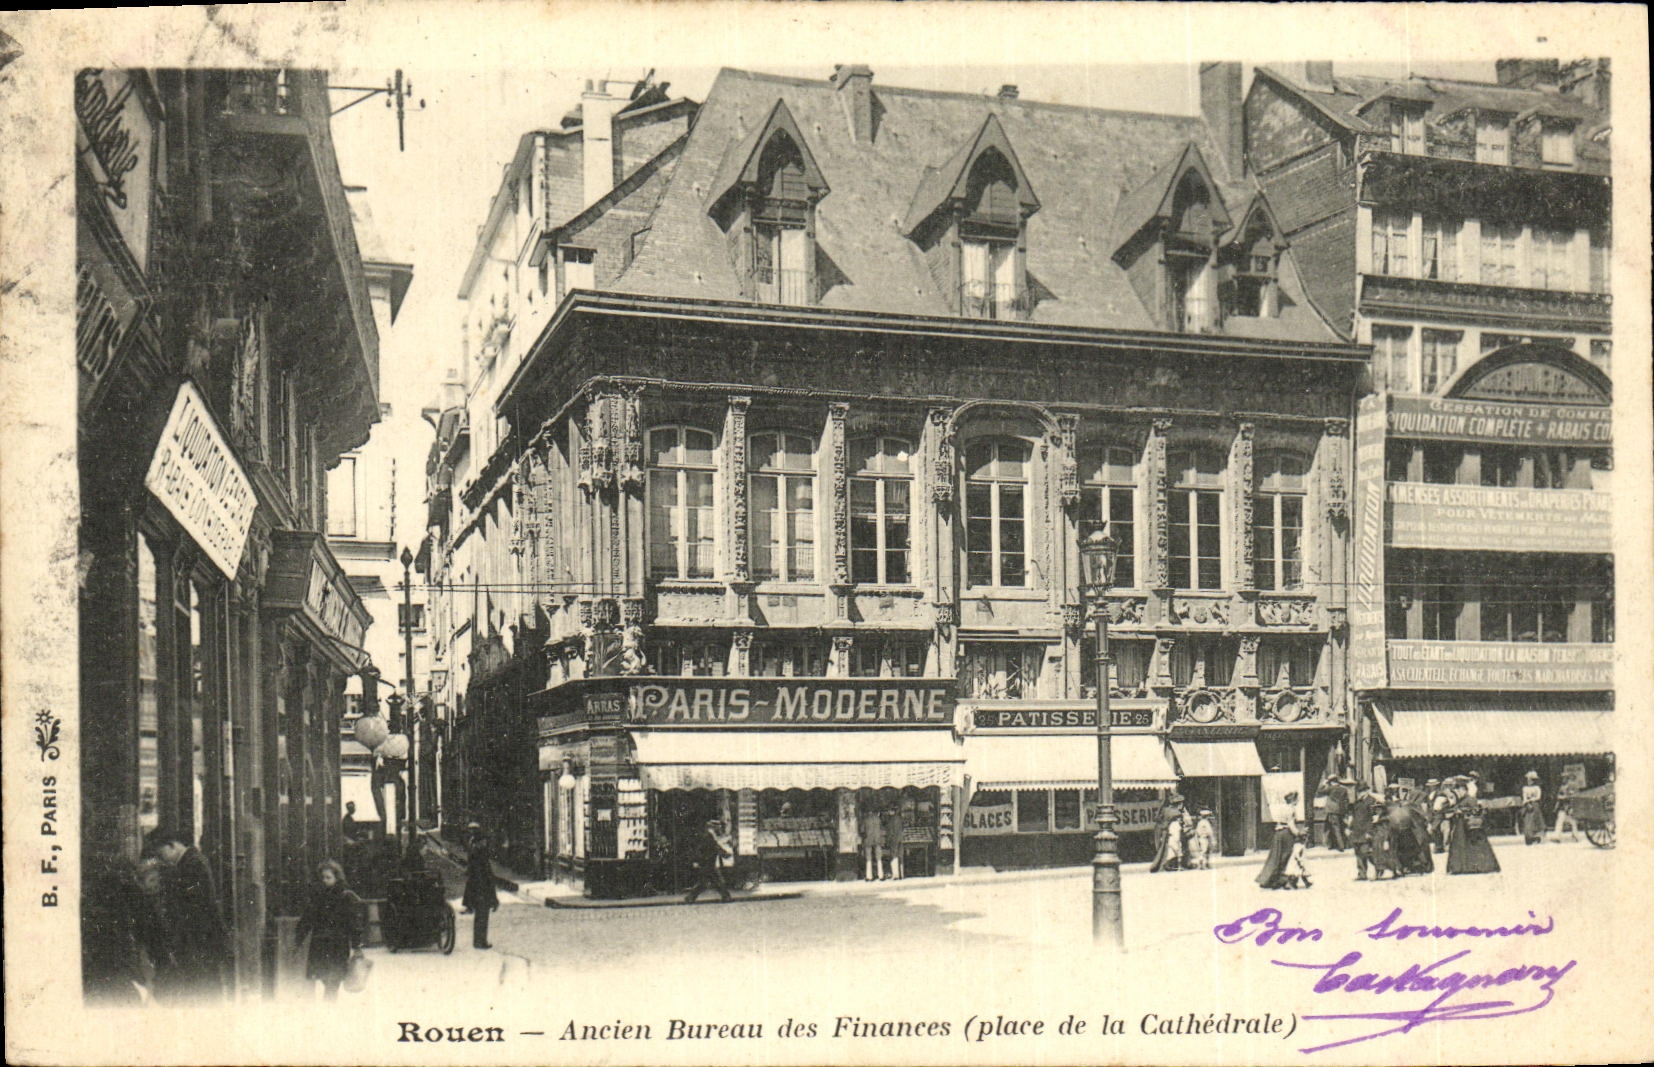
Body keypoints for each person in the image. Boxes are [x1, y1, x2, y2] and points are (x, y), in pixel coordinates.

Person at [145, 827, 230, 1000]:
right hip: (200, 942)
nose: (162, 860)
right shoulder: (190, 861)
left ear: (172, 846)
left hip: (201, 942)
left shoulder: (192, 864)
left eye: (162, 854)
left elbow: (194, 908)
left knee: (204, 991)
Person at [295, 860, 364, 999]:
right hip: (320, 944)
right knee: (323, 977)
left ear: (337, 878)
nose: (325, 881)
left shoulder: (346, 896)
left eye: (328, 877)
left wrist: (357, 945)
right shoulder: (318, 897)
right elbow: (307, 918)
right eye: (323, 878)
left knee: (334, 980)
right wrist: (298, 939)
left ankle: (329, 1008)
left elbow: (354, 923)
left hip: (337, 944)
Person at [1446, 780, 1501, 875]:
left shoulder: (1470, 799)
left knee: (1474, 846)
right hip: (1461, 826)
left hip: (1469, 826)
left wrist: (1463, 812)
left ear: (1463, 789)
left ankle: (1477, 866)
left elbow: (1476, 811)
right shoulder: (1461, 800)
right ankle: (1461, 867)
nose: (1457, 793)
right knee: (1461, 846)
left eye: (1458, 790)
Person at [1257, 791, 1307, 889]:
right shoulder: (1291, 810)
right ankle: (1282, 880)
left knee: (1275, 857)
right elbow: (1291, 824)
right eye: (1297, 799)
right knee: (1285, 857)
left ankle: (1267, 880)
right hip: (1286, 834)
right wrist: (1299, 833)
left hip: (1278, 833)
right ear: (1293, 800)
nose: (1298, 801)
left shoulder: (1283, 808)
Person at [461, 824, 499, 948]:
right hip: (482, 890)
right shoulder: (481, 857)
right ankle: (480, 942)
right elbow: (487, 876)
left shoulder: (473, 853)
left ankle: (478, 941)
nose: (486, 845)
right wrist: (493, 898)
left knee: (479, 917)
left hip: (476, 890)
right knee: (482, 916)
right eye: (485, 843)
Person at [683, 818, 734, 904]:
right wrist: (725, 854)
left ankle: (690, 897)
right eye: (717, 826)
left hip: (707, 862)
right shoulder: (708, 835)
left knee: (706, 882)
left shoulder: (707, 835)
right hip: (708, 862)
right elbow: (715, 847)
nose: (719, 828)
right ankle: (726, 896)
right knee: (717, 881)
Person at [1148, 793, 1185, 873]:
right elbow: (1177, 828)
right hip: (1171, 833)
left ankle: (1163, 864)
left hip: (1164, 832)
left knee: (1164, 850)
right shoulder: (1176, 813)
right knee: (1174, 849)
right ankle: (1170, 865)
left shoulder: (1166, 810)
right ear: (1179, 804)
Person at [1350, 787, 1380, 881]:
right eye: (1359, 791)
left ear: (1367, 791)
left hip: (1366, 831)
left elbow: (1374, 818)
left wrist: (1369, 832)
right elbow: (1354, 817)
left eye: (1361, 791)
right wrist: (1350, 828)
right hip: (1357, 831)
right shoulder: (1357, 802)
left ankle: (1379, 868)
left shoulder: (1372, 801)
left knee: (1366, 852)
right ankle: (1362, 874)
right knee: (1358, 853)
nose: (1360, 793)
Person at [1320, 775, 1349, 851]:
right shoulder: (1343, 789)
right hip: (1340, 811)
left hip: (1332, 811)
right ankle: (1332, 845)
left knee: (1335, 828)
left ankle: (1341, 846)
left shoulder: (1331, 788)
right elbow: (1346, 801)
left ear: (1332, 782)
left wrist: (1323, 784)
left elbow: (1319, 792)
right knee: (1337, 827)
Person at [860, 804, 887, 881]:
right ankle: (881, 875)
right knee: (879, 858)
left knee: (868, 858)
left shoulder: (865, 819)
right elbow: (881, 828)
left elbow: (862, 830)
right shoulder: (878, 819)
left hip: (868, 840)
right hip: (878, 840)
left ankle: (869, 876)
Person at [1429, 780, 1454, 854]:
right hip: (1434, 813)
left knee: (1435, 829)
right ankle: (1439, 846)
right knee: (1436, 830)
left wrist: (1445, 805)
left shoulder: (1444, 792)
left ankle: (1440, 846)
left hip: (1440, 813)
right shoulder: (1432, 793)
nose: (1431, 787)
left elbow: (1451, 801)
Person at [1520, 771, 1545, 845]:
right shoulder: (1525, 788)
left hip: (1534, 805)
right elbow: (1524, 797)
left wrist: (1531, 801)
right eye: (1528, 779)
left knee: (1534, 821)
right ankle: (1528, 837)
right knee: (1527, 821)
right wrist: (1527, 803)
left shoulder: (1537, 788)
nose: (1529, 781)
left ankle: (1535, 836)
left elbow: (1538, 797)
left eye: (1530, 779)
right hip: (1527, 805)